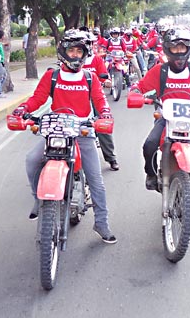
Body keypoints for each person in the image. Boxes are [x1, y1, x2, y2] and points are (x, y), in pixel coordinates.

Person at [11, 29, 117, 244]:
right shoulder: (52, 75)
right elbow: (38, 98)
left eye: (80, 51)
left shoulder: (90, 77)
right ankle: (38, 199)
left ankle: (101, 222)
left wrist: (105, 114)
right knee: (32, 160)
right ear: (63, 52)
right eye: (71, 50)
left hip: (82, 130)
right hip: (55, 130)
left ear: (85, 54)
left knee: (96, 179)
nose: (75, 55)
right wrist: (23, 109)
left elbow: (100, 101)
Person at [129, 29, 190, 230]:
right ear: (167, 49)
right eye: (175, 47)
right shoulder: (160, 71)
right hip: (166, 119)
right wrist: (136, 93)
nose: (179, 52)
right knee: (149, 145)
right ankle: (151, 173)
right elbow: (141, 86)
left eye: (182, 47)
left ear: (188, 49)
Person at [82, 33, 120, 171]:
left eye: (89, 43)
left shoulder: (96, 60)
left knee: (102, 124)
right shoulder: (69, 61)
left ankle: (111, 158)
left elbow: (104, 76)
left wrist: (106, 81)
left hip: (94, 96)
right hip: (76, 97)